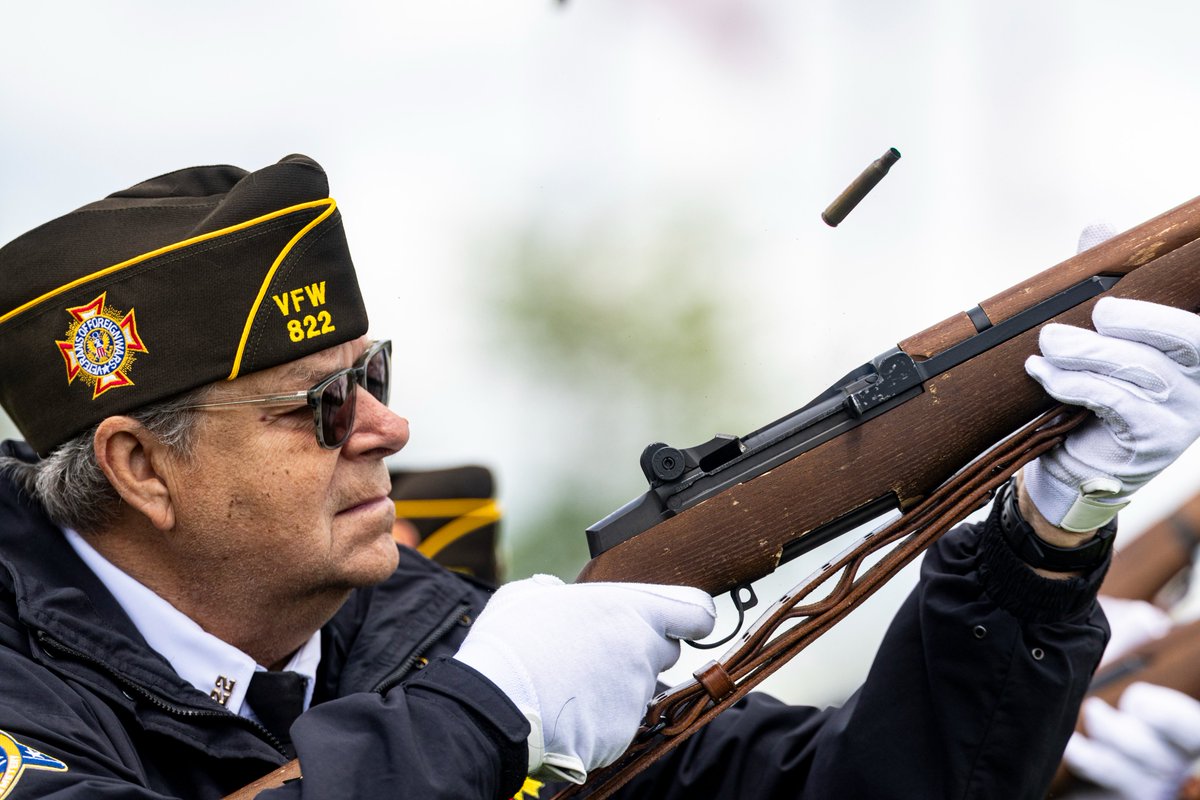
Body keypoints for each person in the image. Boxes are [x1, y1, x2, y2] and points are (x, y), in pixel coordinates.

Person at [0, 154, 1197, 800]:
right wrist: (486, 713)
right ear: (141, 468)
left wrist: (1045, 534)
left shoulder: (417, 630)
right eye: (322, 405)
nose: (388, 426)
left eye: (375, 374)